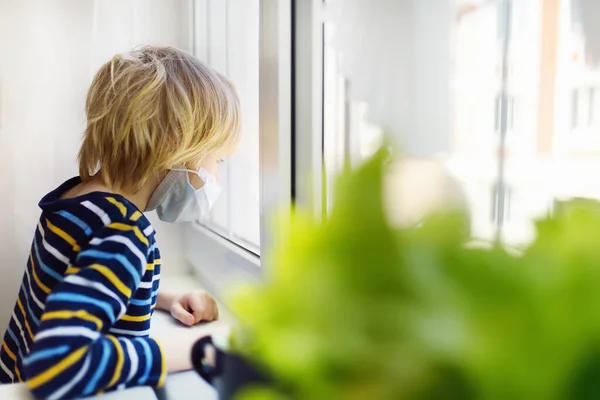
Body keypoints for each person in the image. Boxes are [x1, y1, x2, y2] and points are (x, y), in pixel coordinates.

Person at [0, 45, 240, 399]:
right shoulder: (123, 234)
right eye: (217, 158)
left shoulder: (75, 201)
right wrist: (194, 349)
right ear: (174, 148)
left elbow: (79, 281)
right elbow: (57, 364)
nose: (217, 175)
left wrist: (164, 297)